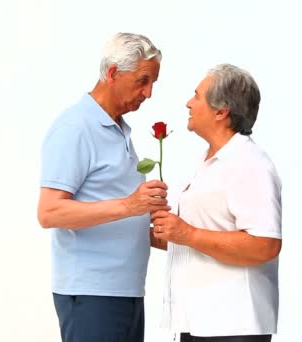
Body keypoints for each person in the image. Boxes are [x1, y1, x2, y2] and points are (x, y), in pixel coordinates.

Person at [37, 32, 170, 342]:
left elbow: (111, 209)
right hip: (92, 294)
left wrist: (157, 228)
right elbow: (49, 212)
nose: (148, 92)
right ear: (112, 73)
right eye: (142, 81)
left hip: (126, 291)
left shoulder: (119, 130)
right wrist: (131, 205)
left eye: (152, 83)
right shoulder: (76, 127)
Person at [150, 64, 282, 342]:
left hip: (232, 325)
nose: (188, 103)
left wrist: (187, 233)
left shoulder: (250, 165)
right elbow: (197, 238)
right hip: (199, 321)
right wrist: (156, 230)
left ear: (221, 112)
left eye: (196, 96)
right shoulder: (207, 163)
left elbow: (266, 244)